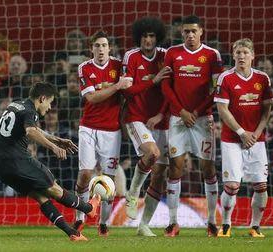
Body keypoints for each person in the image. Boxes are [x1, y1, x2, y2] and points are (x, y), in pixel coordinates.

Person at [0, 82, 100, 241]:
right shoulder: (31, 111)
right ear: (42, 98)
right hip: (18, 161)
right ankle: (89, 208)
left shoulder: (16, 104)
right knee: (54, 189)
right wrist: (53, 147)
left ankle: (72, 233)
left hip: (0, 167)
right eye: (49, 102)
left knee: (40, 196)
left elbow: (32, 128)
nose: (49, 108)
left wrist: (56, 139)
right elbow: (30, 132)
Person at [161, 15, 224, 237]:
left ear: (201, 32)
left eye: (193, 31)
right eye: (186, 31)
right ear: (181, 33)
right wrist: (182, 111)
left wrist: (196, 112)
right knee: (175, 167)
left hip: (202, 120)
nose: (189, 35)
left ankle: (211, 221)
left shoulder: (212, 55)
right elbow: (166, 86)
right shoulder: (172, 53)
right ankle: (173, 222)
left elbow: (217, 89)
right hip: (178, 119)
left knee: (208, 168)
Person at [74, 30, 132, 236]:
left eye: (104, 45)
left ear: (110, 48)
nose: (101, 49)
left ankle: (104, 223)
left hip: (112, 131)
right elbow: (92, 98)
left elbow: (129, 93)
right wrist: (117, 86)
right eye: (97, 45)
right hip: (88, 127)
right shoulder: (84, 67)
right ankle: (79, 218)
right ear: (91, 48)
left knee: (108, 179)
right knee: (86, 173)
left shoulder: (119, 66)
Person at [214, 38, 273, 238]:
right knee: (232, 186)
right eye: (238, 53)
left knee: (261, 186)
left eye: (245, 53)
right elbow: (222, 109)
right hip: (232, 139)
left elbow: (267, 111)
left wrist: (255, 134)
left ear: (253, 56)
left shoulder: (263, 79)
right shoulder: (225, 78)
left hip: (257, 140)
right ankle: (226, 224)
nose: (241, 56)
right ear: (233, 55)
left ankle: (255, 227)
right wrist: (242, 132)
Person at [121, 17, 171, 236]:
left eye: (151, 36)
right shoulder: (131, 57)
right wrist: (153, 80)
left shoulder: (165, 56)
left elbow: (171, 90)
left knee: (159, 175)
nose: (148, 40)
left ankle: (144, 225)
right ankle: (132, 192)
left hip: (161, 120)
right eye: (144, 36)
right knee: (152, 153)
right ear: (138, 37)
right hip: (137, 117)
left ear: (157, 37)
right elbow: (127, 91)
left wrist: (161, 114)